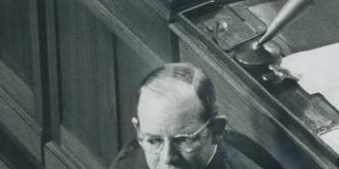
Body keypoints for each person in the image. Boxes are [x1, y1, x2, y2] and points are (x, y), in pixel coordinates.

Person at [110, 62, 280, 169]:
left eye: (183, 140)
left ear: (216, 130)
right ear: (139, 131)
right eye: (154, 140)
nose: (167, 158)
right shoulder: (128, 163)